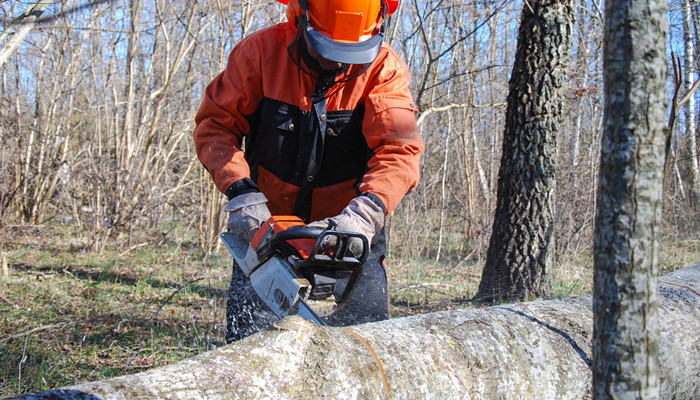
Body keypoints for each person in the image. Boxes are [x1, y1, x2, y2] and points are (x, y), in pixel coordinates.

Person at [193, 0, 423, 343]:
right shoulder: (259, 53)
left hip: (349, 229)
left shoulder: (383, 67)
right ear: (301, 16)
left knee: (366, 347)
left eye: (351, 51)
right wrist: (241, 192)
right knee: (250, 347)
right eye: (326, 48)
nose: (338, 60)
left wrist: (367, 211)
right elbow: (215, 125)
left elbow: (399, 147)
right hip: (269, 227)